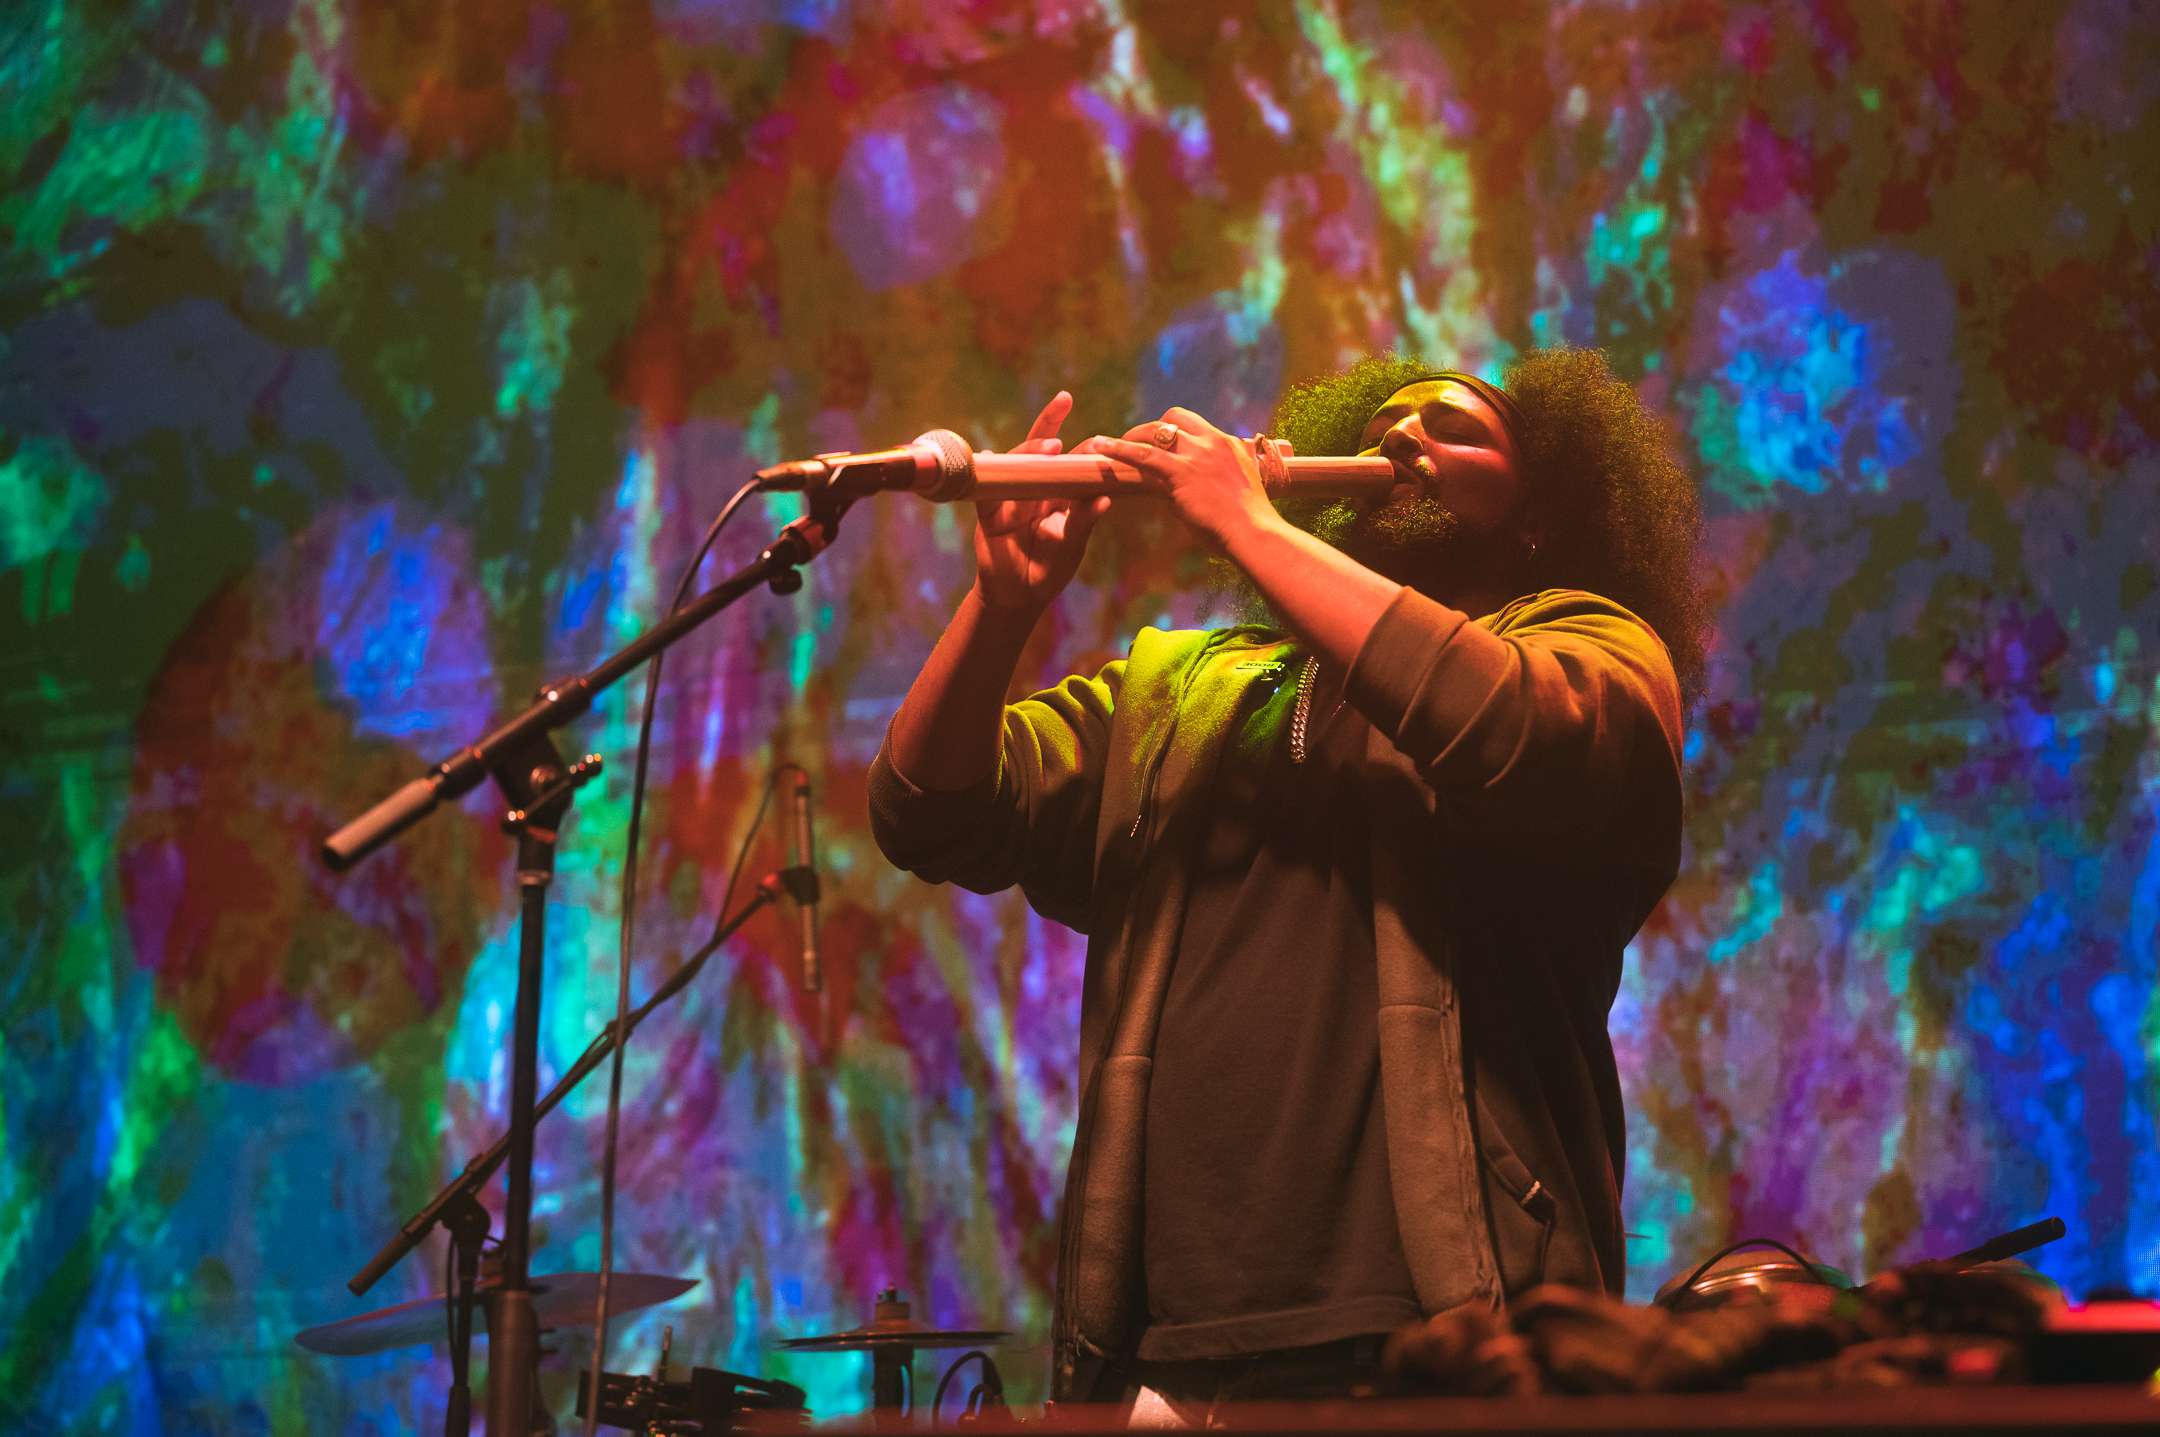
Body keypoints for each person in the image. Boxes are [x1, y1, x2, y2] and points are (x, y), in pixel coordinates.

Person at [865, 349, 1705, 1416]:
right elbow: (927, 812)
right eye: (1388, 422)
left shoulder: (1591, 644)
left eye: (1455, 427)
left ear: (1539, 515)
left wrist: (1247, 526)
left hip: (1443, 1345)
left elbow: (1506, 730)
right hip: (1164, 1363)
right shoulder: (1183, 688)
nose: (1405, 435)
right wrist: (1001, 607)